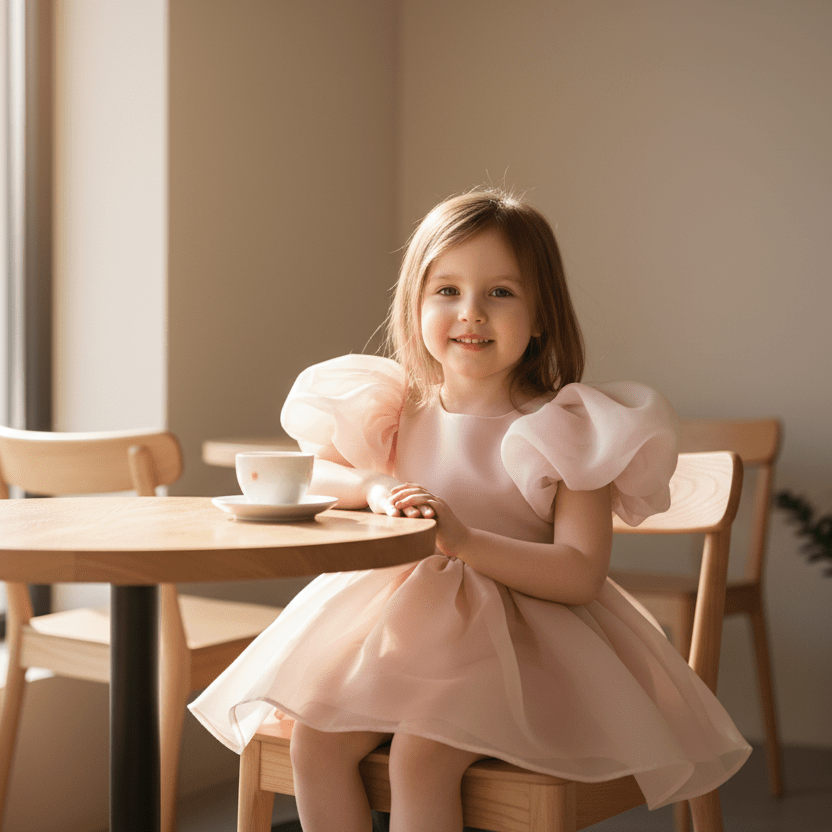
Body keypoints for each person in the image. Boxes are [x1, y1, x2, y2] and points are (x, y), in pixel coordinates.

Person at [190, 188, 750, 832]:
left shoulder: (569, 427)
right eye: (447, 290)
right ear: (416, 305)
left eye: (501, 293)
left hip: (522, 648)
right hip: (399, 638)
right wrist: (373, 487)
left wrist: (463, 540)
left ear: (542, 315)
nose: (471, 313)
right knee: (316, 740)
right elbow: (317, 471)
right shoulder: (396, 410)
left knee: (422, 756)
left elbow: (579, 573)